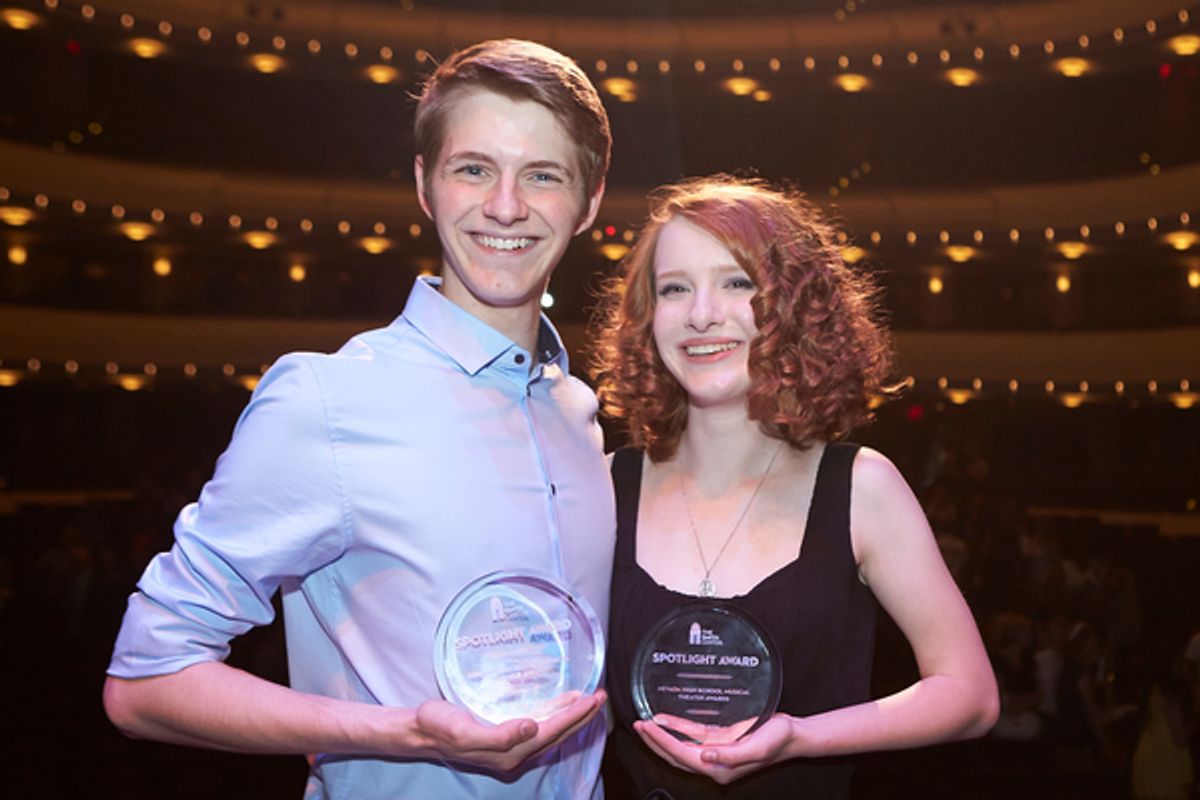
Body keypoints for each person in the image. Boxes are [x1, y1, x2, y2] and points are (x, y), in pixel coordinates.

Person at [103, 39, 615, 799]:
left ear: (590, 203)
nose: (506, 205)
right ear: (424, 183)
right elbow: (145, 683)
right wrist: (403, 732)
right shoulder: (326, 400)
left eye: (543, 175)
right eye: (473, 169)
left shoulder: (577, 412)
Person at [591, 175, 999, 797]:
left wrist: (803, 737)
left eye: (737, 283)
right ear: (650, 317)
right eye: (675, 289)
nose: (702, 314)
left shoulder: (861, 489)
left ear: (794, 306)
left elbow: (969, 695)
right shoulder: (604, 487)